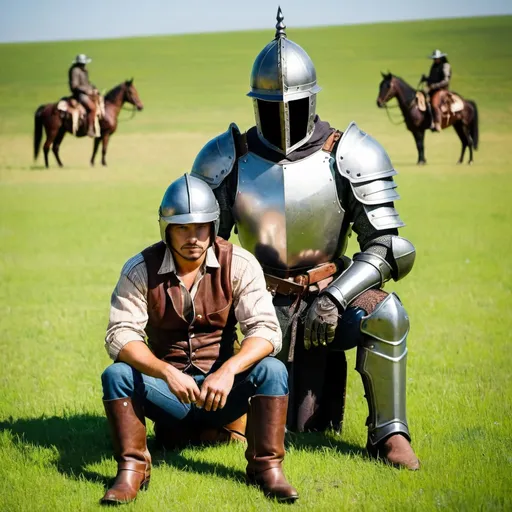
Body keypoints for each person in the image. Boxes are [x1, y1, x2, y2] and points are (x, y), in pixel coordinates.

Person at [191, 8, 420, 471]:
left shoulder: (349, 153)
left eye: (291, 104)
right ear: (255, 103)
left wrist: (336, 297)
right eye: (271, 106)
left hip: (326, 297)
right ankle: (208, 416)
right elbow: (203, 253)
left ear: (310, 101)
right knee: (200, 312)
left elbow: (390, 247)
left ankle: (389, 434)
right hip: (255, 296)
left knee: (388, 314)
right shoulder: (226, 158)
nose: (281, 115)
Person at [100, 174, 298, 504]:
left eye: (201, 227)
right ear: (166, 229)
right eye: (182, 227)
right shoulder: (140, 269)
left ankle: (266, 469)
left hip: (222, 393)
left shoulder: (240, 263)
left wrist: (228, 371)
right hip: (168, 394)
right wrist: (166, 373)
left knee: (272, 371)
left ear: (213, 226)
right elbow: (120, 335)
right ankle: (132, 470)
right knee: (117, 375)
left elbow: (266, 331)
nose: (193, 237)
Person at [420, 49, 452, 132]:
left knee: (434, 103)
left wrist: (433, 86)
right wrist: (426, 79)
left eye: (436, 58)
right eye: (434, 59)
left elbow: (446, 81)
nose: (435, 60)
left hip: (442, 90)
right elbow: (433, 78)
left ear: (441, 58)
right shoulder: (434, 66)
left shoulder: (445, 66)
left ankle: (437, 123)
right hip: (433, 89)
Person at [68, 53, 98, 137]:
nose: (84, 65)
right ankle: (90, 129)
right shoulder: (75, 71)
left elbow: (87, 83)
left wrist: (94, 88)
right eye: (83, 63)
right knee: (92, 108)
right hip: (79, 94)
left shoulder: (84, 70)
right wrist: (87, 91)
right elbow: (74, 85)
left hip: (86, 92)